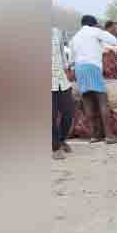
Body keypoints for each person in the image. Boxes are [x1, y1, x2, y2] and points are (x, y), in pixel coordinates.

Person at [69, 15, 117, 145]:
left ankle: (94, 135)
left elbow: (71, 59)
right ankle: (109, 135)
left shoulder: (74, 38)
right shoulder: (95, 31)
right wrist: (101, 31)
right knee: (102, 100)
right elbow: (114, 41)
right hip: (92, 66)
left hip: (79, 68)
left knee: (87, 101)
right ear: (93, 24)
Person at [51, 27, 75, 159]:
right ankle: (55, 148)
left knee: (69, 112)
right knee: (51, 116)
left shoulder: (56, 32)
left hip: (61, 80)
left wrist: (67, 70)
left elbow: (61, 53)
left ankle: (61, 139)